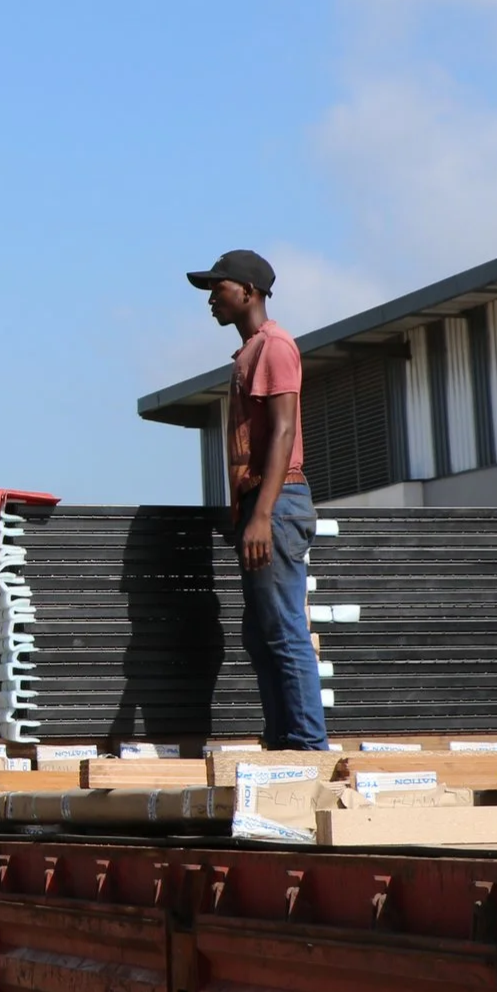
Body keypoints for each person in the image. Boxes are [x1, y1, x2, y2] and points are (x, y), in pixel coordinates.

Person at [189, 249, 330, 752]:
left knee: (286, 630)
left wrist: (263, 514)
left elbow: (284, 430)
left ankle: (308, 750)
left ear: (248, 291)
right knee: (263, 634)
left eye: (218, 287)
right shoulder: (250, 351)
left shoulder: (275, 345)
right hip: (260, 505)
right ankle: (283, 745)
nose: (210, 298)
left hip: (279, 501)